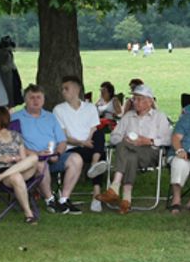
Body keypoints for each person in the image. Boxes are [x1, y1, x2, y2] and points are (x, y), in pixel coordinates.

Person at [98, 84, 172, 215]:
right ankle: (126, 200)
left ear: (149, 101)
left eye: (138, 99)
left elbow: (167, 139)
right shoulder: (128, 116)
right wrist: (125, 139)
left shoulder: (159, 116)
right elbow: (114, 137)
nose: (134, 102)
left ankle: (115, 187)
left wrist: (148, 141)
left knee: (123, 147)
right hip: (130, 153)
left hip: (151, 153)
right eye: (134, 99)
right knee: (129, 154)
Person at [13, 84, 83, 214]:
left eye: (39, 97)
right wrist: (36, 154)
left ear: (43, 100)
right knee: (40, 163)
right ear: (25, 100)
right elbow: (13, 145)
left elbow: (62, 140)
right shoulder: (16, 118)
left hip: (53, 156)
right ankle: (50, 200)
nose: (35, 101)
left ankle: (64, 199)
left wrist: (57, 153)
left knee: (76, 159)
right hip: (31, 160)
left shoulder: (50, 117)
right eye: (31, 97)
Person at [52, 76, 109, 211]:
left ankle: (94, 166)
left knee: (99, 135)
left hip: (89, 145)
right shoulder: (59, 109)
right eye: (62, 89)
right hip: (72, 148)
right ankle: (96, 195)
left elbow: (93, 129)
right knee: (100, 154)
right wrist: (82, 143)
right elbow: (63, 135)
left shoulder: (90, 108)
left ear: (77, 89)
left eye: (66, 88)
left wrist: (88, 141)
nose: (63, 92)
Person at [0, 106, 40, 223]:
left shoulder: (16, 136)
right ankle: (29, 214)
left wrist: (17, 159)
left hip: (16, 170)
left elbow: (23, 158)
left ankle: (0, 178)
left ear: (2, 119)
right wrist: (0, 159)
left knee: (34, 158)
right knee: (15, 177)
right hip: (0, 171)